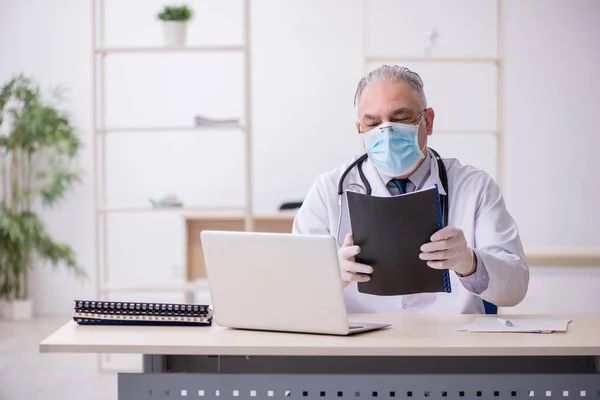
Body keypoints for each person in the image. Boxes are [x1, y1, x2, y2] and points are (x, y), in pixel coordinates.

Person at [292, 65, 529, 314]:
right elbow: (293, 289)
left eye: (400, 120)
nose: (386, 133)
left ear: (427, 121)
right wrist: (329, 277)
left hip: (452, 346)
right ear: (360, 132)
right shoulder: (328, 191)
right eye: (372, 123)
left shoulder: (475, 188)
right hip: (361, 347)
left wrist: (469, 262)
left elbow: (515, 289)